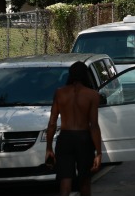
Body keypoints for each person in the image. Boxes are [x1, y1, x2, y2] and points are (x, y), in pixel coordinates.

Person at [45, 62, 103, 196]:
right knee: (84, 181)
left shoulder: (59, 93)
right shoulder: (93, 95)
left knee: (65, 181)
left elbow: (52, 123)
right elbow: (94, 125)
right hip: (84, 139)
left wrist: (49, 148)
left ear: (70, 75)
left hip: (65, 139)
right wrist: (99, 153)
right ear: (85, 75)